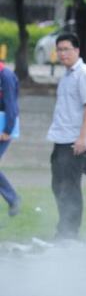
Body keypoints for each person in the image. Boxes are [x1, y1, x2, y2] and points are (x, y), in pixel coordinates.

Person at [46, 33, 86, 239]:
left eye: (66, 49)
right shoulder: (67, 75)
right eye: (59, 49)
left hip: (75, 140)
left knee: (70, 187)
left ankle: (69, 233)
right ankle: (64, 228)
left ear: (77, 50)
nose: (62, 53)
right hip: (60, 137)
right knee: (57, 185)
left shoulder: (84, 74)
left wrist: (83, 138)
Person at [0, 60, 21, 217]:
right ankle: (13, 198)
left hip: (4, 125)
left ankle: (13, 198)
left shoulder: (6, 76)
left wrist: (7, 130)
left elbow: (11, 104)